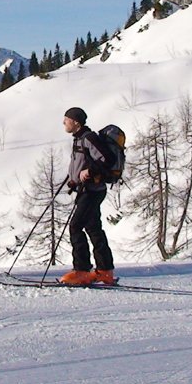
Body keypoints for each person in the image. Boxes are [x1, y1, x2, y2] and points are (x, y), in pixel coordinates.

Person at [59, 107, 116, 286]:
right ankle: (104, 271)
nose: (64, 122)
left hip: (92, 191)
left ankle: (82, 271)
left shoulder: (88, 138)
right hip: (87, 190)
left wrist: (89, 172)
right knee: (93, 229)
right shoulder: (79, 139)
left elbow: (108, 159)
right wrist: (74, 180)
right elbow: (83, 163)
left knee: (75, 227)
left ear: (76, 122)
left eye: (66, 119)